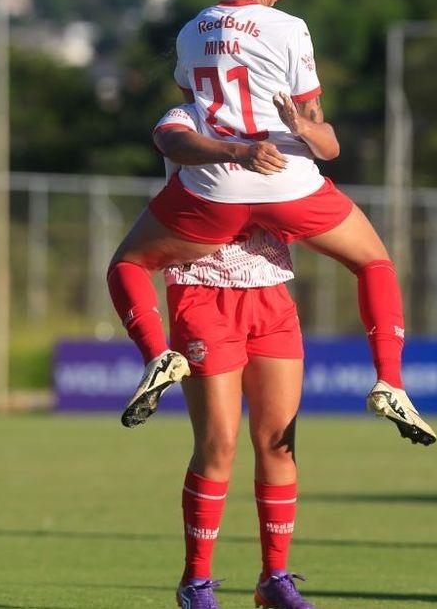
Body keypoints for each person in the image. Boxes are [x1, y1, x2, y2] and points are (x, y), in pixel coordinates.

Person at [109, 0, 435, 446]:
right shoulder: (289, 29)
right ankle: (390, 381)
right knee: (373, 261)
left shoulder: (192, 31)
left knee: (128, 264)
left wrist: (232, 149)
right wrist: (298, 125)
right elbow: (324, 142)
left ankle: (155, 354)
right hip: (288, 184)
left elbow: (191, 114)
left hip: (214, 191)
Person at [152, 105, 315, 609]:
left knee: (279, 443)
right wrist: (241, 152)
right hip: (203, 290)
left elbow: (319, 161)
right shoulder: (188, 115)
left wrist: (305, 129)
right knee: (218, 443)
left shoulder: (276, 116)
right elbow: (169, 140)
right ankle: (195, 582)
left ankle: (274, 579)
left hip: (271, 292)